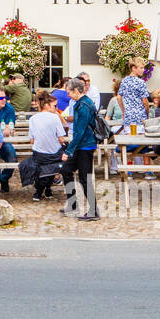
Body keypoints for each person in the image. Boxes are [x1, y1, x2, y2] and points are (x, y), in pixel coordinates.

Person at [59, 75, 100, 221]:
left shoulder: (84, 105)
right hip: (81, 145)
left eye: (69, 92)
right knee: (65, 170)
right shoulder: (82, 103)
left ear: (76, 90)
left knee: (85, 178)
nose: (67, 94)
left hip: (86, 146)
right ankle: (73, 203)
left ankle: (94, 211)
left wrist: (68, 151)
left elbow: (80, 131)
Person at [26, 91, 65, 200]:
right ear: (47, 105)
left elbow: (32, 140)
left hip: (39, 153)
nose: (56, 108)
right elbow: (61, 138)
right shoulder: (54, 118)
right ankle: (48, 187)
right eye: (55, 106)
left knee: (42, 167)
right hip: (53, 153)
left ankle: (39, 191)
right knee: (61, 160)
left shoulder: (33, 119)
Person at [0, 87, 19, 191]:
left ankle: (3, 179)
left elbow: (9, 129)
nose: (4, 100)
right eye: (1, 98)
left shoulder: (9, 108)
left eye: (5, 97)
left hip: (3, 141)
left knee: (12, 158)